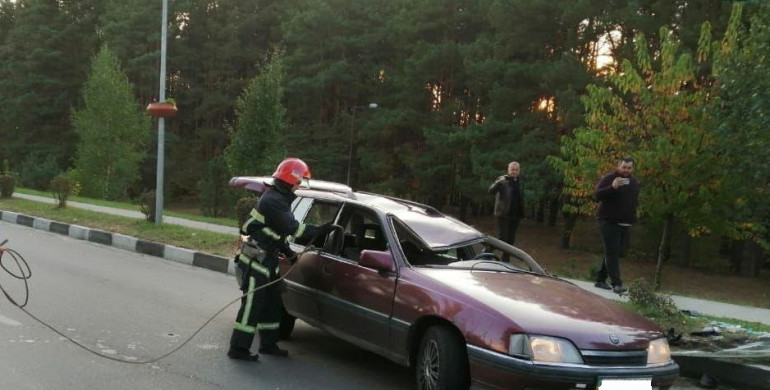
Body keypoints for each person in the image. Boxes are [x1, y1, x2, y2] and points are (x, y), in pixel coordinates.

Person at [228, 157, 333, 361]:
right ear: (290, 180)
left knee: (272, 304)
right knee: (252, 306)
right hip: (255, 262)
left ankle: (268, 344)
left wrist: (288, 252)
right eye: (299, 181)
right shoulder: (274, 201)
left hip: (268, 261)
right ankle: (238, 348)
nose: (299, 185)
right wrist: (319, 230)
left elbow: (276, 234)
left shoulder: (279, 198)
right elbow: (293, 229)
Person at [593, 157, 639, 294]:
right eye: (624, 167)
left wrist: (632, 216)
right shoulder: (609, 178)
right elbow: (597, 195)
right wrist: (612, 188)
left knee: (614, 251)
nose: (626, 170)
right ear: (619, 166)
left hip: (625, 223)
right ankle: (617, 284)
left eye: (629, 168)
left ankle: (600, 279)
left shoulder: (634, 182)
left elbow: (633, 201)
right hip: (608, 221)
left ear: (632, 168)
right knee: (612, 253)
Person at [488, 162, 525, 259]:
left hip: (516, 214)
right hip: (503, 213)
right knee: (502, 237)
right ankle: (487, 252)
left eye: (516, 170)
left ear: (519, 171)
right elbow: (490, 191)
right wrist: (498, 182)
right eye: (512, 169)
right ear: (508, 170)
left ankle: (505, 259)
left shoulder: (520, 181)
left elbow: (521, 197)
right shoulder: (503, 180)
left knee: (511, 239)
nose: (514, 172)